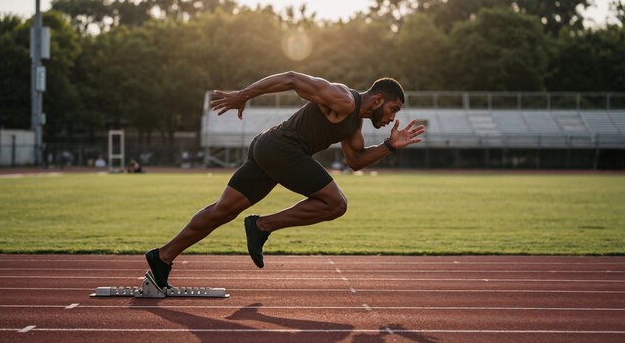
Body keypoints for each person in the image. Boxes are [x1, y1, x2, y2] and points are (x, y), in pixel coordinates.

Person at [145, 71, 425, 290]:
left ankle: (163, 256)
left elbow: (356, 161)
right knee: (335, 204)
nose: (393, 117)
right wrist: (244, 95)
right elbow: (292, 78)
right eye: (394, 109)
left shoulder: (354, 125)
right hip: (281, 149)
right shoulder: (343, 99)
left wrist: (389, 146)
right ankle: (260, 225)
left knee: (223, 210)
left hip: (269, 149)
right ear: (377, 100)